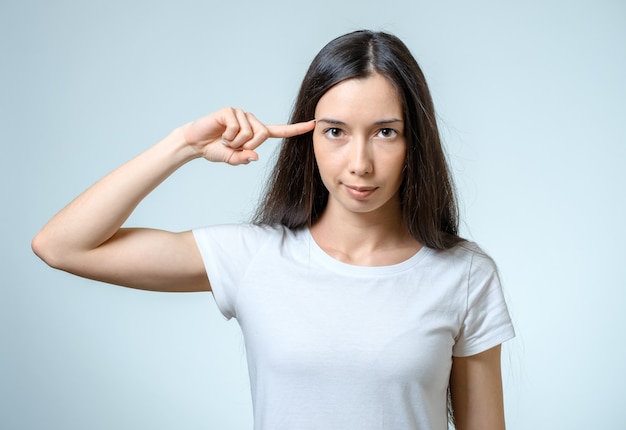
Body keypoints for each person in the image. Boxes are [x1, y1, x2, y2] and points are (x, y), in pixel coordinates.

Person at [32, 30, 515, 430]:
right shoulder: (253, 256)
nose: (360, 163)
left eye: (385, 132)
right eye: (335, 131)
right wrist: (184, 145)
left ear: (415, 142)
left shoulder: (464, 274)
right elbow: (61, 246)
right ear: (306, 136)